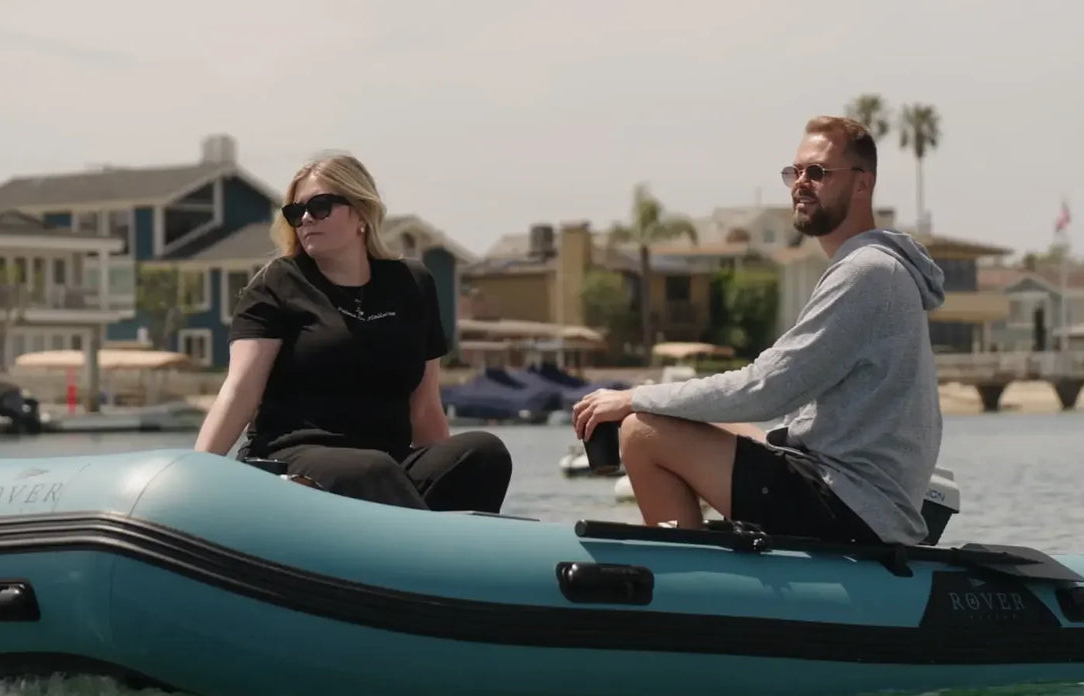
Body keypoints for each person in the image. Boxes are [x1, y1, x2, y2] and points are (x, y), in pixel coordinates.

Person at [572, 116, 946, 546]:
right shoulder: (872, 268)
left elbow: (768, 389)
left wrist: (633, 398)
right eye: (796, 172)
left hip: (854, 509)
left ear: (863, 185)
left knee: (642, 433)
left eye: (818, 173)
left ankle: (686, 586)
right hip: (852, 492)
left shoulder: (868, 273)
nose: (801, 183)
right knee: (685, 421)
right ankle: (691, 544)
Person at [193, 152, 513, 513]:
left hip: (385, 464)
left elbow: (424, 408)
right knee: (368, 468)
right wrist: (196, 475)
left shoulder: (412, 283)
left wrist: (442, 467)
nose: (306, 219)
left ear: (361, 211)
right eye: (296, 213)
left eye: (321, 206)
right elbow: (239, 391)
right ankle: (428, 552)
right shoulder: (278, 283)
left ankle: (450, 551)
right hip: (292, 457)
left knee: (483, 452)